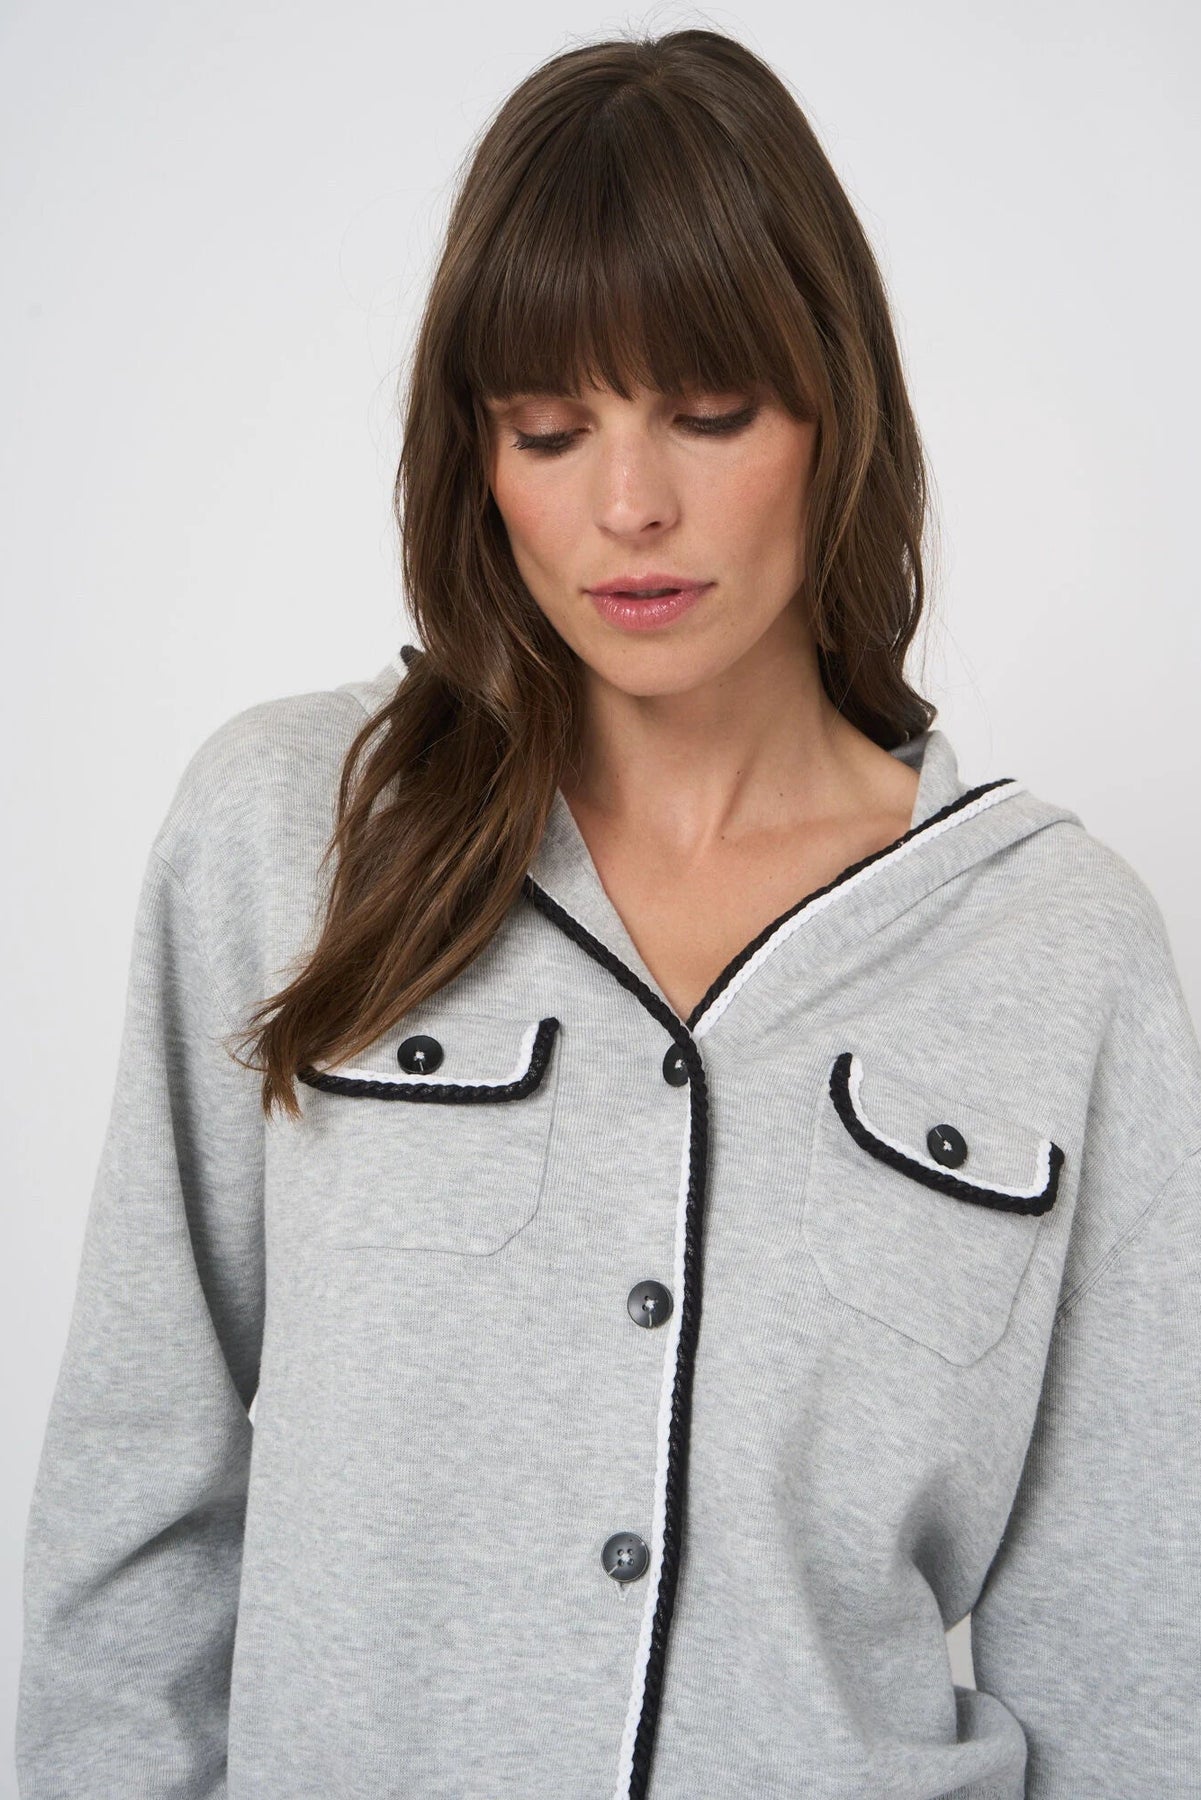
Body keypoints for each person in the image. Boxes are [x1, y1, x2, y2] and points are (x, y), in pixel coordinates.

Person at [15, 27, 1200, 1800]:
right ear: (477, 458)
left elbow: (1129, 1655)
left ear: (834, 416)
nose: (628, 507)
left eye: (709, 415)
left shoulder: (1058, 948)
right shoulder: (290, 830)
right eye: (548, 431)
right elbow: (135, 1521)